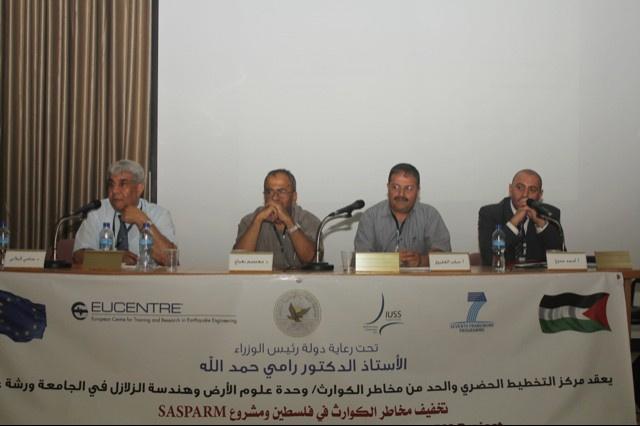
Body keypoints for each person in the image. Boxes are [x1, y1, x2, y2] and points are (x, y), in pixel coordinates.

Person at [73, 159, 177, 266]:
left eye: (122, 184)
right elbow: (78, 256)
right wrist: (116, 258)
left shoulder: (159, 215)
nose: (114, 191)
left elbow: (170, 260)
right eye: (111, 185)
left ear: (139, 189)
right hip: (106, 276)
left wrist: (142, 220)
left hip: (145, 276)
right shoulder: (97, 212)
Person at [354, 163, 451, 267]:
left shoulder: (430, 215)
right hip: (380, 278)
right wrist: (392, 261)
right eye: (395, 187)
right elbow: (360, 260)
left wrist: (421, 261)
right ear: (388, 187)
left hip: (420, 278)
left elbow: (445, 257)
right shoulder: (370, 217)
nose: (401, 194)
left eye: (408, 188)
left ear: (418, 191)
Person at [234, 169, 320, 270]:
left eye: (281, 191)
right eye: (269, 192)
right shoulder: (250, 221)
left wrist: (289, 222)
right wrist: (258, 221)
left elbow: (313, 260)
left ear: (294, 197)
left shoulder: (309, 220)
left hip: (300, 280)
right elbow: (238, 263)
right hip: (261, 280)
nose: (274, 198)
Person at [478, 169, 563, 266]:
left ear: (540, 195)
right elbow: (488, 258)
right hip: (503, 274)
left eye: (532, 189)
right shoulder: (490, 214)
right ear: (510, 189)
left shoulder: (549, 214)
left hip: (538, 275)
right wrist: (514, 222)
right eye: (520, 187)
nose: (525, 194)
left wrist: (540, 223)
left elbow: (560, 258)